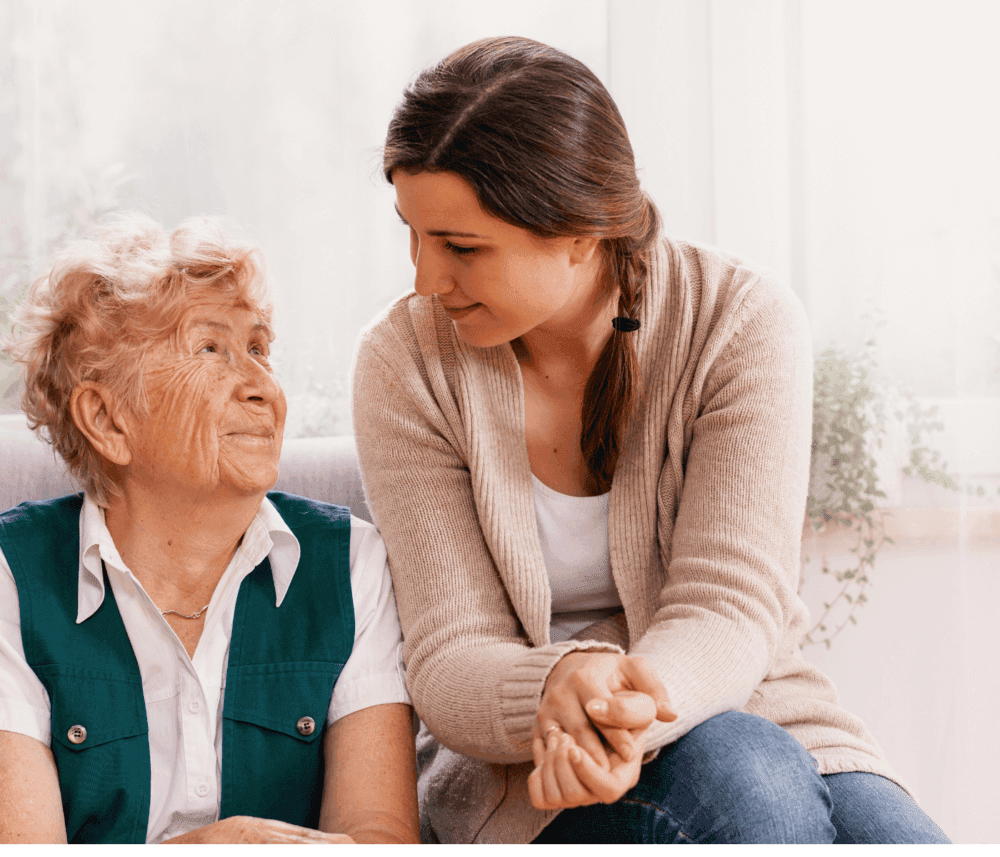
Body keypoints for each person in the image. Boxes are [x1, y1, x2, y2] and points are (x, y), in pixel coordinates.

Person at [350, 36, 950, 844]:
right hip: (528, 773)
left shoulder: (739, 322)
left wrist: (613, 707)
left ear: (579, 233)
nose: (424, 278)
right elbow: (451, 656)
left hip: (749, 707)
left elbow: (729, 607)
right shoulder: (405, 362)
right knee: (747, 775)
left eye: (462, 247)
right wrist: (558, 684)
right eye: (412, 233)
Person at [0, 214, 419, 844]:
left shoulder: (351, 563)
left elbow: (378, 836)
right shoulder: (13, 577)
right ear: (107, 418)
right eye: (210, 349)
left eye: (258, 348)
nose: (262, 388)